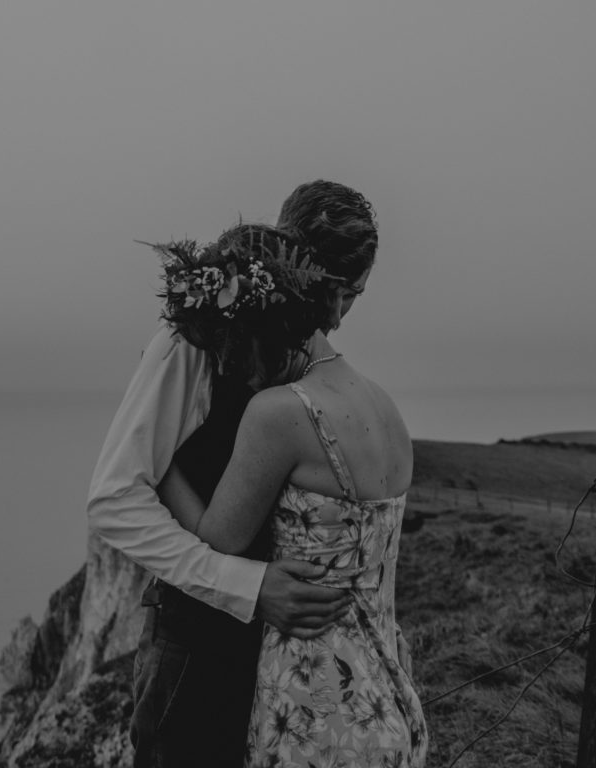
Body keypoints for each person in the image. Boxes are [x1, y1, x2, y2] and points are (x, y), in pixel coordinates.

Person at [86, 181, 380, 767]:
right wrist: (247, 586)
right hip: (192, 647)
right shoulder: (191, 341)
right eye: (336, 293)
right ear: (298, 269)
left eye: (356, 296)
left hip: (279, 655)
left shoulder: (310, 361)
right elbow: (114, 499)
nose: (341, 318)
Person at [154, 224, 428, 767]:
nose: (232, 368)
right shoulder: (384, 406)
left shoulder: (279, 412)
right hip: (388, 698)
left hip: (314, 705)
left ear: (272, 327)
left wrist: (158, 467)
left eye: (237, 349)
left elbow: (216, 538)